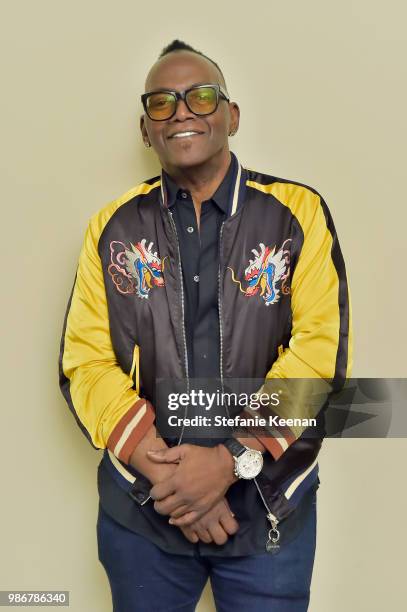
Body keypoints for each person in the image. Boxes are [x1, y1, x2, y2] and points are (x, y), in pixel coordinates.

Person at [59, 39, 353, 612]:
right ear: (145, 130)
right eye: (162, 103)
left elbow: (319, 355)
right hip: (144, 515)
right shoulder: (111, 228)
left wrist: (227, 462)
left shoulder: (297, 214)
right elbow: (85, 363)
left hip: (270, 507)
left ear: (231, 115)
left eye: (200, 96)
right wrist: (172, 479)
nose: (182, 112)